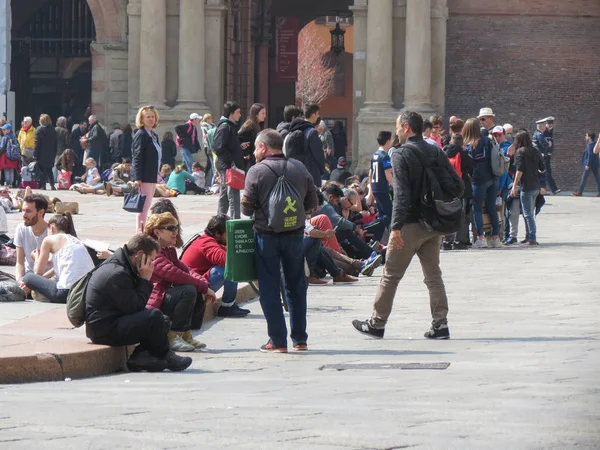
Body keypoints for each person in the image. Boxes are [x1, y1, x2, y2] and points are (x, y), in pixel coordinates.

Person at [352, 111, 463, 340]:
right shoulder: (434, 149)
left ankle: (377, 323)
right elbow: (458, 185)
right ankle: (440, 324)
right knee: (433, 276)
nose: (396, 132)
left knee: (390, 275)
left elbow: (401, 194)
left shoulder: (401, 154)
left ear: (406, 127)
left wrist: (395, 228)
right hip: (433, 225)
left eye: (398, 127)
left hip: (409, 225)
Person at [242, 129, 318, 352]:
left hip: (267, 236)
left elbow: (246, 207)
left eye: (256, 147)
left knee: (269, 286)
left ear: (263, 148)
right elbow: (312, 201)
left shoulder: (256, 171)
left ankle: (277, 340)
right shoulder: (299, 167)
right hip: (294, 234)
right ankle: (300, 339)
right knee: (296, 285)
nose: (255, 152)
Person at [85, 234, 193, 372]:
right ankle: (166, 355)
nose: (151, 265)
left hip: (114, 319)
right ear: (140, 255)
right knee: (155, 317)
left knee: (162, 320)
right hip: (104, 329)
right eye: (150, 260)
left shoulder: (123, 264)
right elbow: (135, 307)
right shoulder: (117, 273)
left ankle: (140, 357)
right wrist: (145, 280)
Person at [144, 212, 216, 351]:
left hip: (164, 296)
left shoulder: (168, 250)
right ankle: (173, 335)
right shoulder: (152, 252)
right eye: (171, 228)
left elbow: (186, 270)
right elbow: (175, 274)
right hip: (152, 302)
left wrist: (204, 285)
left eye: (176, 228)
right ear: (157, 232)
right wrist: (203, 287)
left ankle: (184, 334)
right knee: (188, 290)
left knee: (195, 288)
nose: (175, 232)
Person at [181, 214, 250, 317]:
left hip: (197, 283)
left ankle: (229, 305)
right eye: (228, 235)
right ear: (218, 234)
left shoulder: (208, 240)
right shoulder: (206, 243)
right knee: (228, 268)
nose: (230, 238)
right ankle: (227, 307)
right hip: (193, 287)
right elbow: (225, 260)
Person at [22, 213, 94, 303]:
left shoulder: (49, 240)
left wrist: (36, 258)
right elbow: (57, 270)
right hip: (86, 291)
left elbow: (37, 272)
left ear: (51, 228)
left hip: (66, 292)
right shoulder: (75, 240)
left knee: (28, 277)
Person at [462, 117, 501, 248]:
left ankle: (481, 237)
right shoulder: (488, 140)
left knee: (477, 209)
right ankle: (496, 237)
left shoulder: (469, 146)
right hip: (492, 177)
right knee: (491, 208)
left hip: (478, 180)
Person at [510, 130, 545, 246]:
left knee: (527, 213)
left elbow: (519, 170)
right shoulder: (535, 151)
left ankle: (532, 238)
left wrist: (514, 186)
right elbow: (543, 169)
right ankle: (528, 236)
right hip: (536, 185)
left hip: (526, 186)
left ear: (519, 141)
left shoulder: (520, 152)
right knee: (529, 213)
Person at [214, 101, 246, 219]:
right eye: (238, 112)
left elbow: (227, 145)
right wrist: (231, 160)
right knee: (233, 194)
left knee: (225, 195)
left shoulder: (229, 126)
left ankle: (220, 219)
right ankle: (235, 220)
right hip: (228, 166)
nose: (240, 115)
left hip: (227, 164)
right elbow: (218, 147)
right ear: (231, 113)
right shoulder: (225, 126)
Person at [132, 105, 161, 233]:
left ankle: (143, 231)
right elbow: (137, 156)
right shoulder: (141, 134)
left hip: (152, 175)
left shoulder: (153, 135)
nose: (151, 119)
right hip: (144, 177)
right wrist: (137, 178)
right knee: (143, 208)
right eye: (148, 117)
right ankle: (140, 233)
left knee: (147, 206)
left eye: (152, 116)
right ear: (142, 119)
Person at [14, 195, 51, 297]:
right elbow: (19, 263)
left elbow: (56, 268)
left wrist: (34, 283)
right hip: (27, 277)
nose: (24, 215)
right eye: (23, 210)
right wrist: (20, 281)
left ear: (41, 212)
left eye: (28, 211)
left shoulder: (51, 232)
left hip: (46, 279)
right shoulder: (21, 229)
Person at [286, 104, 325, 187]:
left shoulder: (293, 129)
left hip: (296, 172)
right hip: (310, 173)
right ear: (314, 114)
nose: (318, 116)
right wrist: (321, 170)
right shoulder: (312, 132)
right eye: (317, 113)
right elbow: (318, 155)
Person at [365, 131, 394, 242]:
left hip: (376, 188)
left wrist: (370, 191)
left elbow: (370, 174)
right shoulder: (385, 156)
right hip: (382, 188)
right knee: (388, 216)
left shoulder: (375, 155)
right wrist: (395, 186)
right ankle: (365, 227)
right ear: (387, 141)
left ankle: (375, 241)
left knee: (382, 217)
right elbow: (388, 174)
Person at [238, 103, 266, 171]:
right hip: (249, 160)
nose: (265, 116)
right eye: (263, 113)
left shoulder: (259, 125)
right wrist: (246, 152)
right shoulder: (249, 126)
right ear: (256, 114)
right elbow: (239, 138)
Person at [34, 114, 58, 190]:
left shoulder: (39, 129)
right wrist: (54, 152)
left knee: (42, 170)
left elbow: (37, 143)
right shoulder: (53, 130)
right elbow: (55, 143)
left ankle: (43, 185)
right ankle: (52, 185)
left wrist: (35, 154)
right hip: (51, 152)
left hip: (41, 153)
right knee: (49, 169)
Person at [573, 132, 600, 197]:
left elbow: (590, 155)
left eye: (586, 135)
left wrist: (588, 164)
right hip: (595, 164)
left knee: (584, 178)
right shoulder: (594, 143)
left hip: (590, 165)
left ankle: (580, 192)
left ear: (589, 137)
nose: (585, 137)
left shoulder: (590, 144)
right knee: (598, 179)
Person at [542, 117, 561, 195]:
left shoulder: (550, 131)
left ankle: (547, 189)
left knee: (546, 173)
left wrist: (550, 152)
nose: (550, 125)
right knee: (546, 173)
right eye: (549, 123)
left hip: (547, 155)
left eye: (551, 123)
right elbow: (543, 143)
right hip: (544, 155)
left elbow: (551, 143)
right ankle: (553, 189)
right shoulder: (543, 132)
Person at [54, 117, 70, 181]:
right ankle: (59, 179)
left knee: (54, 165)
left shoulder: (54, 129)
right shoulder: (65, 131)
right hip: (62, 150)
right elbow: (67, 142)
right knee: (61, 165)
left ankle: (53, 179)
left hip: (54, 150)